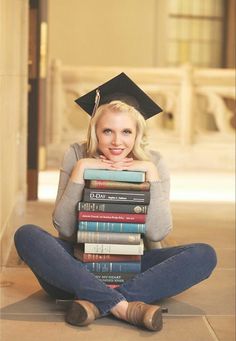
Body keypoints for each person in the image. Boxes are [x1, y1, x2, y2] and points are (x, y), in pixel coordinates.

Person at [14, 73, 217, 332]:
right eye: (107, 131)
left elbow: (157, 232)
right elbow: (64, 229)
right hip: (76, 265)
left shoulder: (154, 161)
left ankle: (94, 303)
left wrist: (150, 174)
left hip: (134, 266)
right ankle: (125, 305)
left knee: (204, 255)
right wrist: (81, 170)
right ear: (95, 131)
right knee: (27, 235)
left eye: (126, 132)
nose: (117, 141)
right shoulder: (77, 154)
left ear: (137, 133)